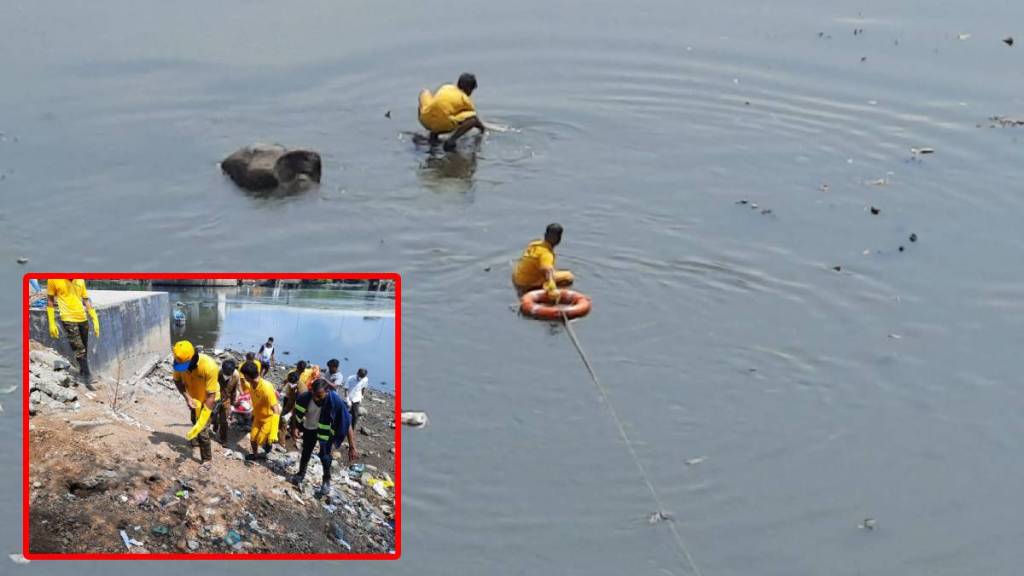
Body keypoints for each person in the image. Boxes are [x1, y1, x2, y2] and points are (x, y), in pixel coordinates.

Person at [289, 378, 358, 498]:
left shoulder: (335, 401)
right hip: (310, 428)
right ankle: (301, 474)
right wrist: (294, 427)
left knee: (325, 457)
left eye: (320, 396)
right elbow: (296, 411)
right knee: (306, 452)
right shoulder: (305, 397)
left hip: (325, 431)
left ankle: (326, 480)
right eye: (314, 395)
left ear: (327, 391)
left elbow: (346, 423)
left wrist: (352, 446)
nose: (316, 398)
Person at [171, 340, 221, 469]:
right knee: (194, 419)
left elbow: (211, 396)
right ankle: (195, 441)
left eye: (184, 366)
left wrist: (202, 420)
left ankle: (207, 460)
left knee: (202, 429)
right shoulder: (179, 362)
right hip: (194, 399)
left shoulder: (209, 367)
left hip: (210, 399)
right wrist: (187, 397)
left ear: (193, 358)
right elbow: (177, 381)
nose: (182, 369)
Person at [46, 279, 101, 390]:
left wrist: (94, 318)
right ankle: (87, 375)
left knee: (84, 347)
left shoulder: (80, 279)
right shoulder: (53, 279)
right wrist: (52, 322)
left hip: (82, 318)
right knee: (78, 347)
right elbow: (50, 300)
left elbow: (86, 300)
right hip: (67, 318)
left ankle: (81, 373)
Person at [418, 73, 486, 151]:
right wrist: (482, 129)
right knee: (472, 120)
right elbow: (474, 119)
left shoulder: (446, 87)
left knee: (425, 93)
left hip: (425, 119)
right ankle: (451, 141)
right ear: (469, 89)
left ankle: (433, 135)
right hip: (443, 124)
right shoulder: (465, 99)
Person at [512, 223, 575, 299]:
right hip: (527, 283)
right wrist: (552, 290)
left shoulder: (534, 243)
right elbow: (548, 271)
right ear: (559, 239)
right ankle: (539, 289)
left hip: (517, 277)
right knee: (568, 276)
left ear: (545, 235)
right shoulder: (547, 254)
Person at [239, 360, 281, 461]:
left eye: (244, 375)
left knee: (260, 440)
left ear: (248, 376)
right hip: (257, 416)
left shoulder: (266, 388)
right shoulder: (251, 384)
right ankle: (255, 455)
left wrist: (274, 431)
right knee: (253, 438)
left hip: (268, 418)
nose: (243, 377)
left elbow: (276, 410)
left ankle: (268, 443)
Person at [213, 359, 242, 444]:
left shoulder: (236, 376)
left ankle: (223, 439)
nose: (226, 376)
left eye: (228, 374)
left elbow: (234, 391)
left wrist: (233, 404)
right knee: (213, 415)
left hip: (227, 399)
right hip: (216, 397)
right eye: (225, 373)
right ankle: (215, 424)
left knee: (224, 420)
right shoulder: (218, 372)